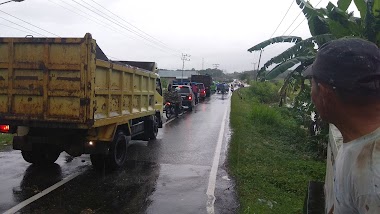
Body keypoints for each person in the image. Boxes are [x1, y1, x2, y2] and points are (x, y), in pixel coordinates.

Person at [303, 38, 380, 214]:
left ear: (324, 94)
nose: (311, 93)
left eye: (312, 84)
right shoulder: (357, 140)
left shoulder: (373, 182)